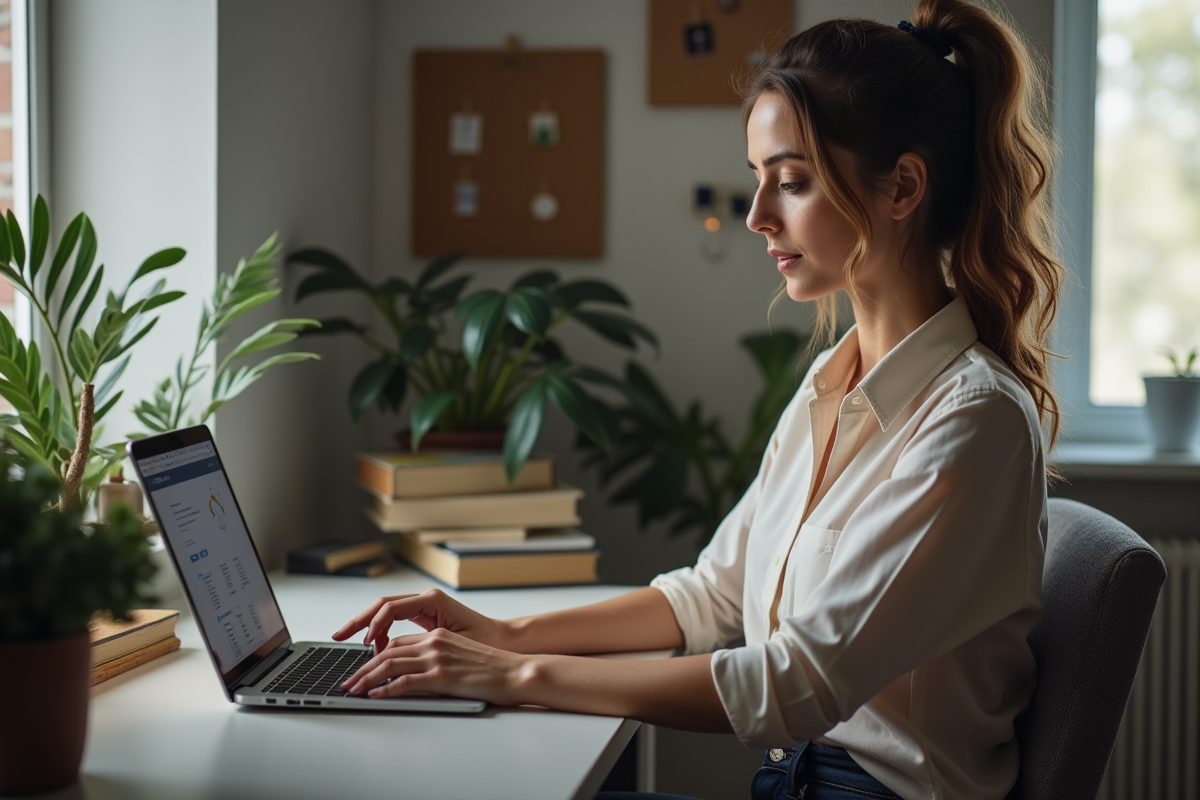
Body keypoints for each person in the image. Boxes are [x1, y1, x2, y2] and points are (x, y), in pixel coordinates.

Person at [332, 0, 1063, 796]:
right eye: (758, 180)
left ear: (903, 187)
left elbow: (796, 684)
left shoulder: (973, 420)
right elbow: (710, 596)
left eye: (792, 182)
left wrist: (512, 675)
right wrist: (503, 636)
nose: (756, 216)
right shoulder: (831, 384)